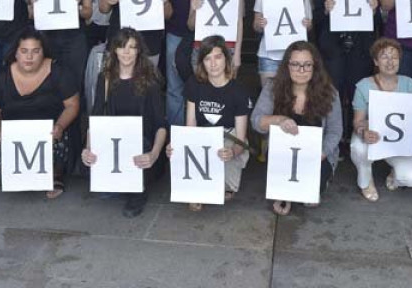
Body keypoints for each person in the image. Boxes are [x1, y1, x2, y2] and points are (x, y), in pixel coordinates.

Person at [0, 28, 80, 199]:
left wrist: (59, 126)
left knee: (61, 142)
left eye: (35, 51)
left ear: (43, 52)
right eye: (24, 51)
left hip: (50, 135)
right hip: (15, 137)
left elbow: (72, 105)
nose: (29, 57)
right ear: (16, 53)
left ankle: (54, 175)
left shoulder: (58, 72)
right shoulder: (2, 78)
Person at [251, 41, 343, 216]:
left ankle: (317, 183)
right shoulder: (272, 88)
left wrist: (322, 153)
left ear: (315, 67)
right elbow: (256, 121)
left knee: (310, 198)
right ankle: (285, 192)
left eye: (307, 65)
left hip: (317, 156)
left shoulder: (330, 93)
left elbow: (335, 130)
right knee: (281, 196)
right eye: (295, 64)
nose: (301, 70)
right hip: (282, 155)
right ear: (287, 66)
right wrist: (278, 119)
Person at [82, 28, 166, 218]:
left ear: (138, 51)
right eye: (122, 47)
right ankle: (121, 183)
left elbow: (161, 124)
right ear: (114, 50)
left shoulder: (150, 80)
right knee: (86, 167)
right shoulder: (105, 78)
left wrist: (153, 154)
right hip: (114, 142)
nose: (127, 52)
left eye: (132, 47)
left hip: (142, 143)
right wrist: (88, 149)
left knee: (140, 166)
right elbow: (95, 119)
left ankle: (137, 191)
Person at [167, 36, 250, 211]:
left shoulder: (239, 90)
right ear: (202, 63)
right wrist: (179, 145)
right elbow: (191, 125)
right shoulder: (194, 85)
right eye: (207, 58)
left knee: (226, 188)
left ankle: (213, 184)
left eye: (218, 57)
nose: (213, 64)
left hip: (228, 136)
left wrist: (233, 151)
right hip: (203, 135)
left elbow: (241, 138)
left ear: (226, 59)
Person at [312, 0, 380, 145]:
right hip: (334, 48)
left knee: (357, 92)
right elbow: (315, 19)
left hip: (360, 47)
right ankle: (335, 138)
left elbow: (376, 22)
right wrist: (325, 10)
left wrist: (375, 9)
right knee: (333, 94)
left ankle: (355, 135)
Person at [350, 38, 412, 202]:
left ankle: (395, 172)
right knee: (358, 147)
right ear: (376, 61)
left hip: (399, 141)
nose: (390, 61)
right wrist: (363, 131)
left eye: (394, 57)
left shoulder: (409, 84)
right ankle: (365, 180)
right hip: (373, 137)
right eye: (384, 56)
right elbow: (358, 121)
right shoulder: (364, 85)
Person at [163, 0, 203, 126]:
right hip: (175, 36)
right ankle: (176, 135)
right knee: (174, 87)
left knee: (206, 84)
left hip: (205, 39)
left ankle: (203, 131)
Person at [254, 0, 312, 86]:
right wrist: (260, 24)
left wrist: (307, 24)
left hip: (296, 57)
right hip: (269, 56)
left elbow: (309, 26)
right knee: (268, 99)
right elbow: (256, 26)